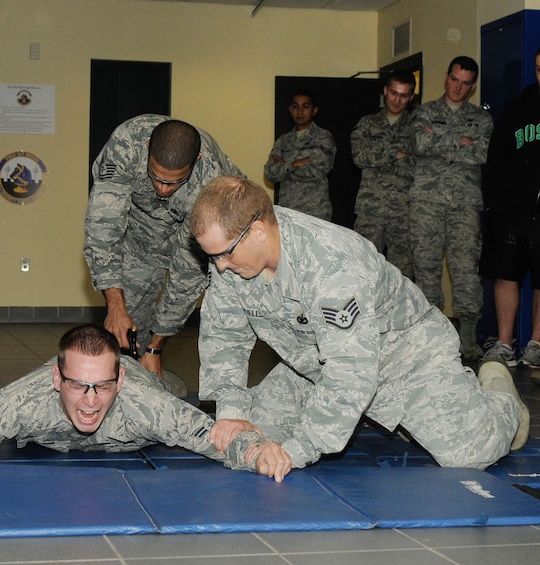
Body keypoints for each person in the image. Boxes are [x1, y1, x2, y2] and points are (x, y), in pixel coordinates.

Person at [189, 176, 530, 483]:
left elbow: (352, 371)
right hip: (314, 366)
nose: (220, 266)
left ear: (258, 231)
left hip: (403, 359)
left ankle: (499, 395)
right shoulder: (231, 255)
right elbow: (225, 335)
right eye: (213, 256)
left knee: (470, 454)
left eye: (225, 254)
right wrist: (232, 413)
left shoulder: (332, 264)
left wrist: (298, 449)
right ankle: (385, 418)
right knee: (244, 442)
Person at [0, 324, 267, 472]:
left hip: (152, 382)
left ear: (119, 380)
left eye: (104, 386)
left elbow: (211, 435)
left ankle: (141, 367)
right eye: (78, 385)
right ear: (57, 379)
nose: (91, 401)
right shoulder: (28, 399)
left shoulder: (146, 403)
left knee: (173, 388)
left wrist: (258, 452)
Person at [84, 115, 243, 395]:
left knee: (198, 302)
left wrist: (156, 347)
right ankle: (128, 381)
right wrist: (116, 306)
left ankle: (155, 369)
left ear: (196, 162)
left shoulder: (213, 182)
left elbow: (187, 276)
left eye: (174, 182)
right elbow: (103, 231)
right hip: (142, 232)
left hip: (201, 224)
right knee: (125, 322)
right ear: (147, 148)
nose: (162, 189)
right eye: (156, 177)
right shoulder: (125, 147)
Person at [408, 56, 494, 361]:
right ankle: (432, 335)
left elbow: (480, 152)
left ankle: (468, 339)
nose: (458, 87)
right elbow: (419, 143)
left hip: (465, 205)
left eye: (466, 83)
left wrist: (440, 140)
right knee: (426, 268)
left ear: (473, 86)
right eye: (454, 79)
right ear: (446, 77)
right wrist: (460, 141)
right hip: (426, 203)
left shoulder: (482, 120)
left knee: (465, 269)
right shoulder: (424, 112)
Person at [480, 48, 540, 368]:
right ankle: (504, 343)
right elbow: (496, 161)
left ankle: (536, 345)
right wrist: (494, 206)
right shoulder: (517, 109)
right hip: (512, 211)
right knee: (506, 275)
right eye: (539, 68)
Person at [350, 70, 417, 278]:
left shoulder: (417, 127)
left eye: (404, 95)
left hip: (403, 210)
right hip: (371, 208)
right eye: (394, 93)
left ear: (411, 97)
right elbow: (359, 156)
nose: (398, 100)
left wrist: (379, 155)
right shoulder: (367, 124)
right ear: (385, 91)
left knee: (403, 273)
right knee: (364, 267)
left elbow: (419, 166)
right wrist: (395, 154)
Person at [263, 89, 336, 221]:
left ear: (314, 110)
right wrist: (296, 164)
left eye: (305, 106)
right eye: (295, 106)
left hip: (315, 212)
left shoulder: (323, 137)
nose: (300, 111)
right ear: (290, 110)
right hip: (287, 212)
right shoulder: (283, 140)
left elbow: (318, 170)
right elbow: (270, 173)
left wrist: (284, 165)